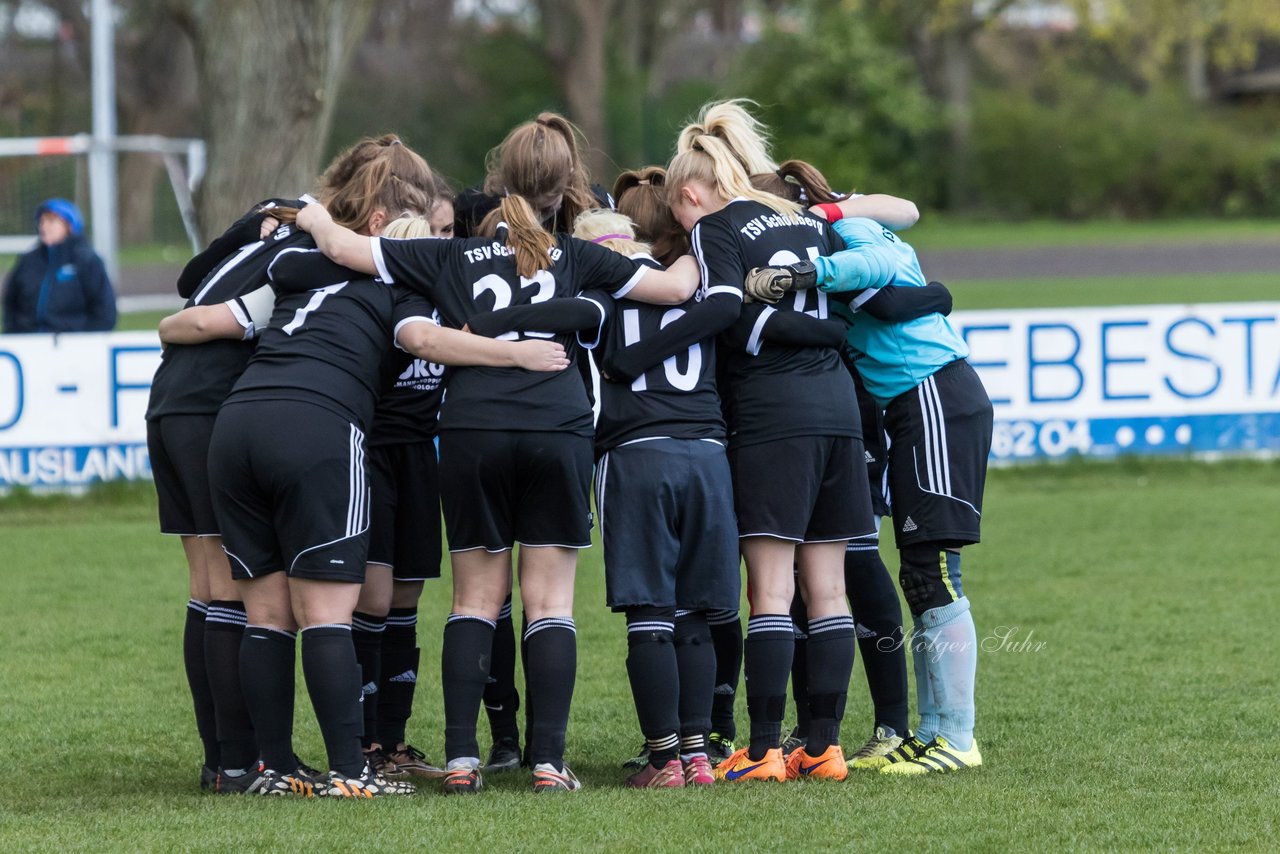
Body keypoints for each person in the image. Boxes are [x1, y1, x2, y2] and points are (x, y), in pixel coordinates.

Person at [295, 189, 699, 794]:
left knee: (474, 601)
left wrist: (311, 214)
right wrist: (715, 228)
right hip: (556, 431)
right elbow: (675, 290)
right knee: (549, 603)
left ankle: (462, 761)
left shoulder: (445, 255)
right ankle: (548, 763)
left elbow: (339, 247)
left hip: (471, 432)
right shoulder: (574, 254)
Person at [203, 198, 570, 798]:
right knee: (328, 614)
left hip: (235, 424)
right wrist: (516, 351)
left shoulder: (303, 273)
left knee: (267, 615)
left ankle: (272, 768)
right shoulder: (401, 289)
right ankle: (351, 772)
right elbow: (423, 339)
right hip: (316, 425)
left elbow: (206, 312)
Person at [146, 135, 438, 793]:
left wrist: (176, 321)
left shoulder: (278, 230)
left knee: (216, 590)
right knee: (233, 595)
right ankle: (247, 762)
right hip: (225, 403)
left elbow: (193, 283)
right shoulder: (322, 253)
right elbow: (213, 318)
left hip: (190, 405)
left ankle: (235, 762)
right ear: (377, 221)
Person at [465, 207, 742, 789]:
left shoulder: (604, 293)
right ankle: (697, 754)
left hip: (639, 454)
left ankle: (664, 759)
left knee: (650, 614)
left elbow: (572, 312)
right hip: (709, 455)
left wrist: (494, 320)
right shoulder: (689, 283)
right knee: (696, 612)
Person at [745, 198, 993, 775]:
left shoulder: (844, 227)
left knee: (934, 572)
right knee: (920, 573)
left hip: (931, 394)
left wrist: (805, 274)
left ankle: (957, 736)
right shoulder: (831, 230)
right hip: (914, 405)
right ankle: (933, 733)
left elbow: (878, 270)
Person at [664, 100, 871, 784]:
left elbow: (730, 315)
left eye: (676, 212)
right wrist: (828, 335)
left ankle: (762, 751)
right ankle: (825, 746)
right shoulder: (802, 220)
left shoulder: (716, 228)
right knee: (831, 591)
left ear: (691, 193)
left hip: (772, 414)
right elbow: (852, 290)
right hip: (839, 408)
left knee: (773, 592)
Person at [350, 207, 455, 781]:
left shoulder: (446, 307)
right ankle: (363, 746)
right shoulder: (380, 312)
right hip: (373, 457)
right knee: (375, 596)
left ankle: (393, 744)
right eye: (430, 244)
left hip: (420, 459)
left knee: (408, 600)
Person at [3, 198, 115, 333]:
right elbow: (11, 303)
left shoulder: (87, 261)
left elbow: (104, 311)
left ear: (70, 226)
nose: (44, 226)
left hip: (73, 346)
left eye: (51, 221)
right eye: (42, 221)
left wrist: (83, 339)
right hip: (29, 345)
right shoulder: (28, 261)